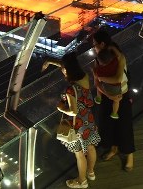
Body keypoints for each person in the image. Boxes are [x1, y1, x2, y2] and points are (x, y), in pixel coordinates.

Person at [43, 52, 100, 188]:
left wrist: (61, 108)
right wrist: (50, 61)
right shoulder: (84, 77)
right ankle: (90, 172)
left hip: (77, 125)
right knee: (90, 147)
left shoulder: (70, 89)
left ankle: (82, 181)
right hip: (88, 119)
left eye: (64, 69)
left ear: (67, 70)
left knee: (79, 154)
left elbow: (73, 111)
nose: (62, 71)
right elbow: (66, 65)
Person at [91, 30, 135, 172]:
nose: (93, 47)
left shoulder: (119, 58)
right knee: (109, 124)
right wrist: (107, 94)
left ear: (102, 44)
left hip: (122, 95)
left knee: (124, 125)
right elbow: (96, 84)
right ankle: (114, 149)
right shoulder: (98, 60)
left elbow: (117, 78)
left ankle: (129, 155)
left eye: (95, 44)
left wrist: (100, 77)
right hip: (107, 96)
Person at [93, 48, 123, 119]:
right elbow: (119, 55)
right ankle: (114, 113)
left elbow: (96, 81)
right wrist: (112, 48)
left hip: (106, 86)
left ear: (100, 62)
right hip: (115, 87)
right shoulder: (114, 62)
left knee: (99, 85)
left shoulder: (98, 70)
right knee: (116, 100)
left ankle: (98, 98)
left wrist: (95, 67)